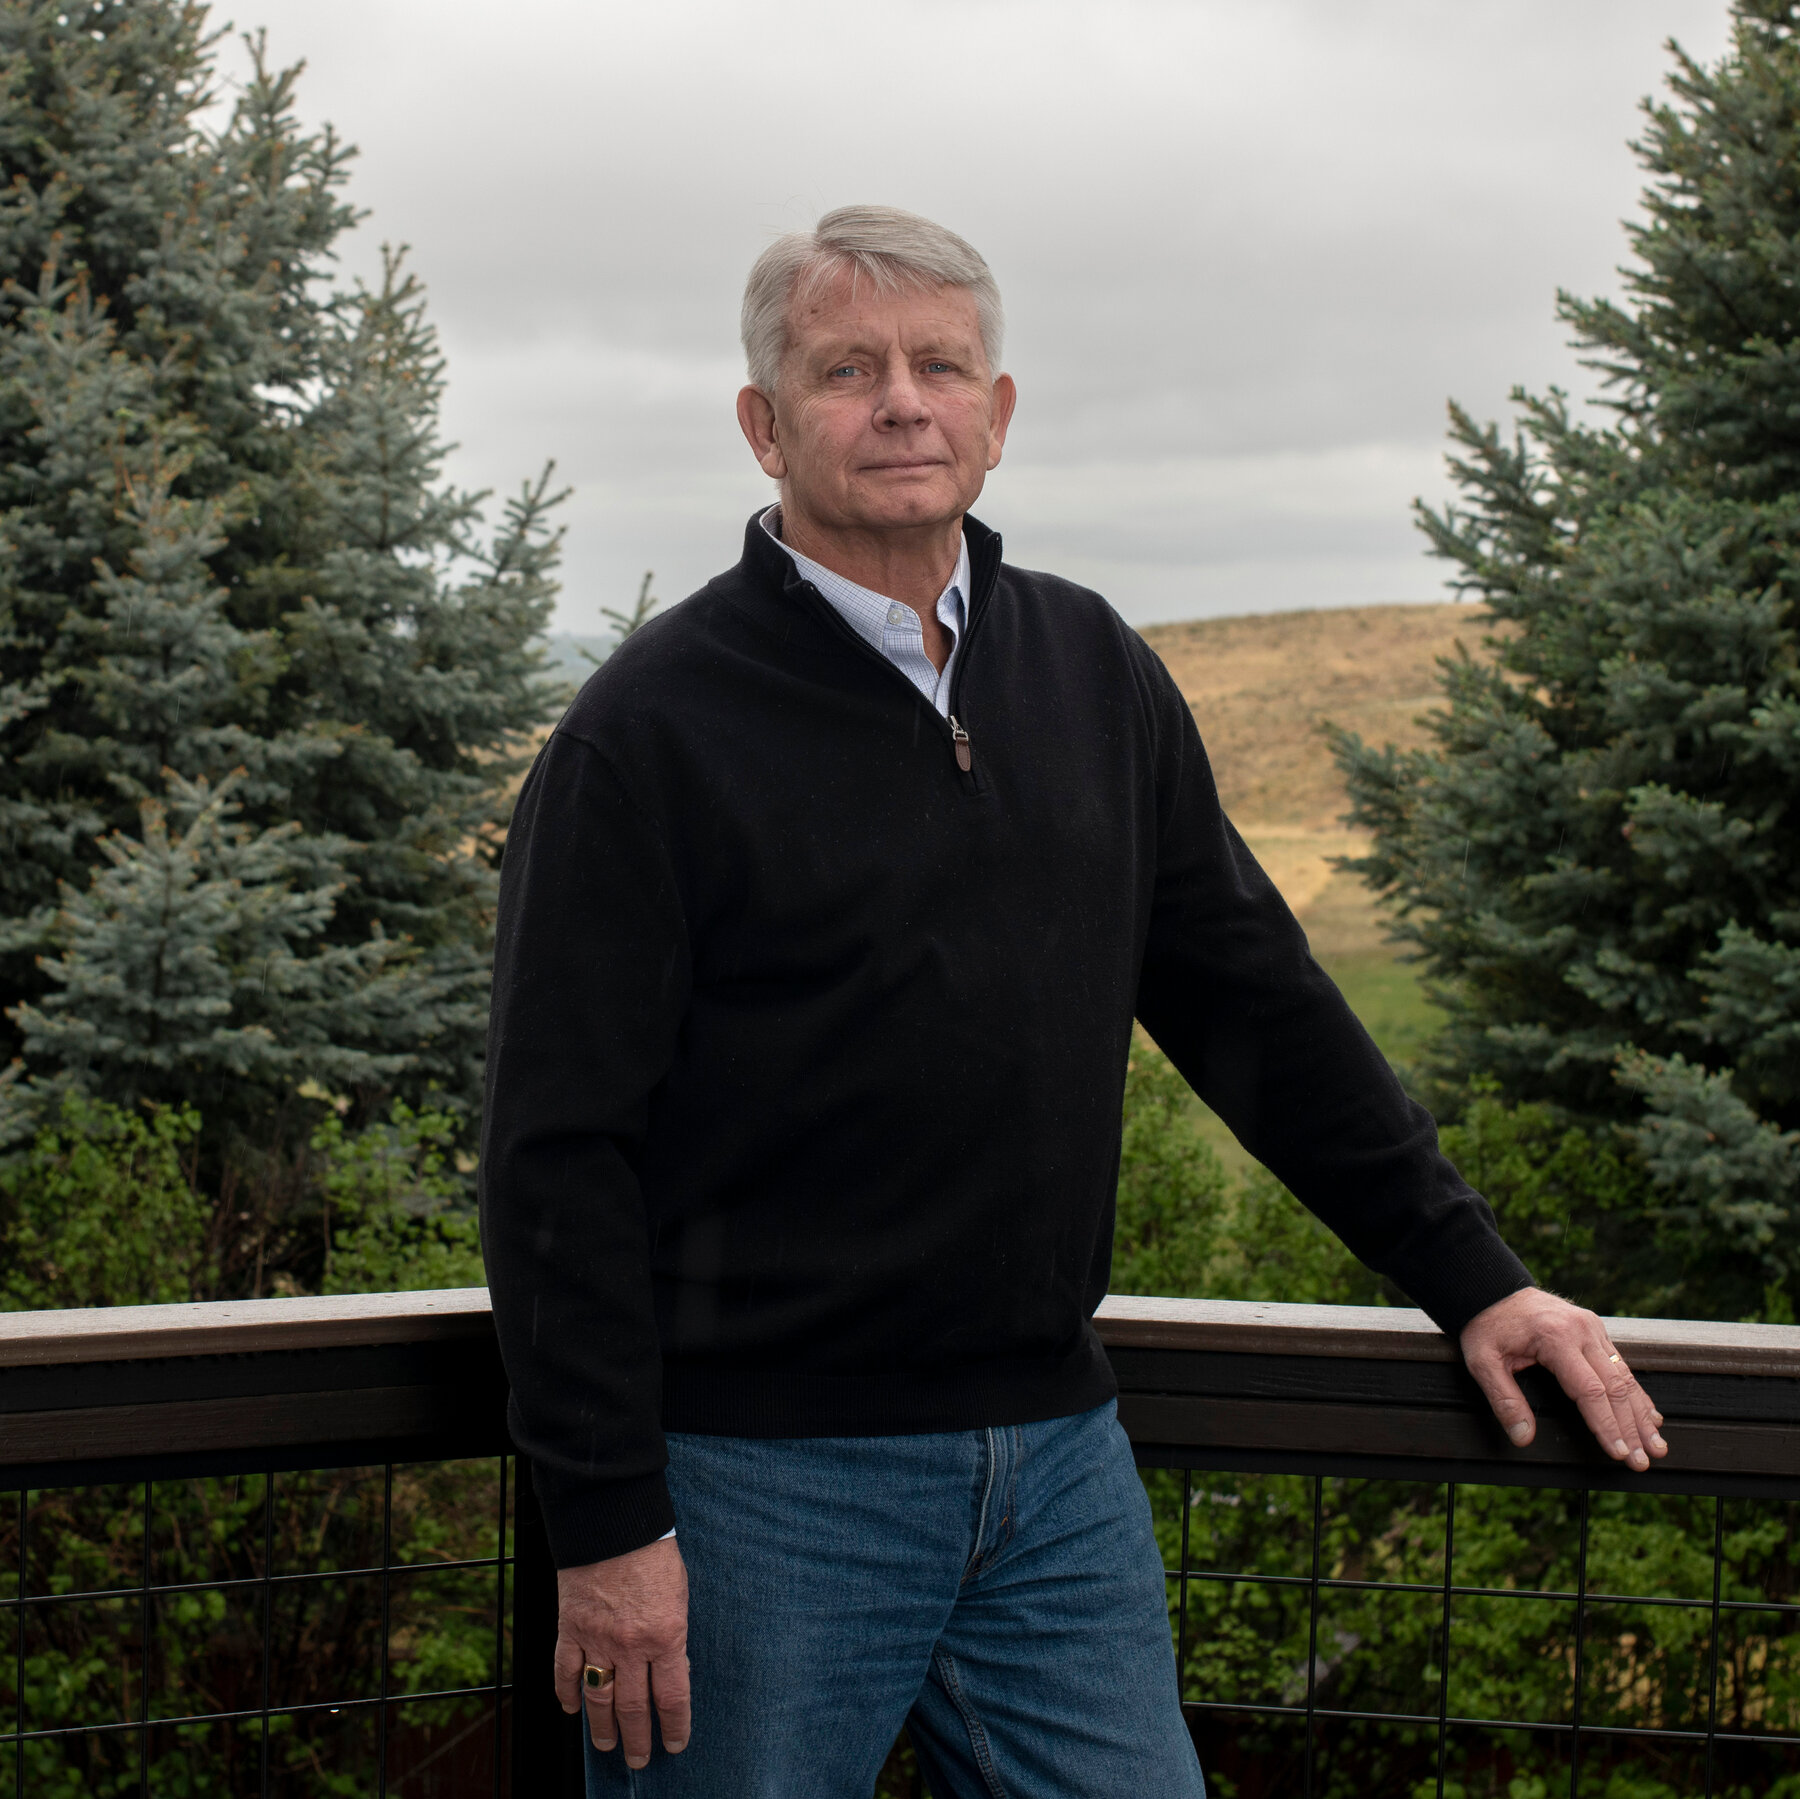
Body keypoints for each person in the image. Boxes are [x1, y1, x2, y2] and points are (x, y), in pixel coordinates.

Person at [479, 205, 1668, 1798]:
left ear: (998, 411)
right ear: (764, 425)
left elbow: (1257, 1005)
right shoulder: (647, 733)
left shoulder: (1091, 666)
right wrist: (608, 1519)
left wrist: (1475, 1280)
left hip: (1054, 1474)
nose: (903, 403)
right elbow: (554, 1157)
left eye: (939, 366)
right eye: (847, 370)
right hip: (758, 1489)